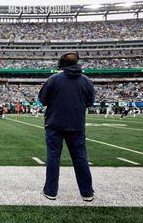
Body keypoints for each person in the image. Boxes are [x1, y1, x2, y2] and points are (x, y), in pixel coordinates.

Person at [38, 52, 95, 202]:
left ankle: (51, 191)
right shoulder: (86, 81)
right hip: (76, 125)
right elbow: (90, 103)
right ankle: (87, 192)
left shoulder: (53, 79)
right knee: (80, 158)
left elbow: (42, 100)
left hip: (54, 124)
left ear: (62, 64)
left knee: (53, 157)